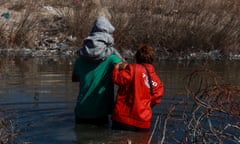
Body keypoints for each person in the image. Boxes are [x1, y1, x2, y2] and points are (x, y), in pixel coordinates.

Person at [72, 16, 123, 125]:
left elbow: (75, 78)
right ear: (107, 37)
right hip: (100, 114)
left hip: (81, 112)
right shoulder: (112, 58)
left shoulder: (80, 58)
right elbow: (128, 75)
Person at [111, 44, 164, 132]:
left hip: (123, 119)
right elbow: (155, 100)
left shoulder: (132, 69)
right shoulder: (158, 81)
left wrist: (116, 68)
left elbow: (117, 79)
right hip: (143, 123)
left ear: (137, 57)